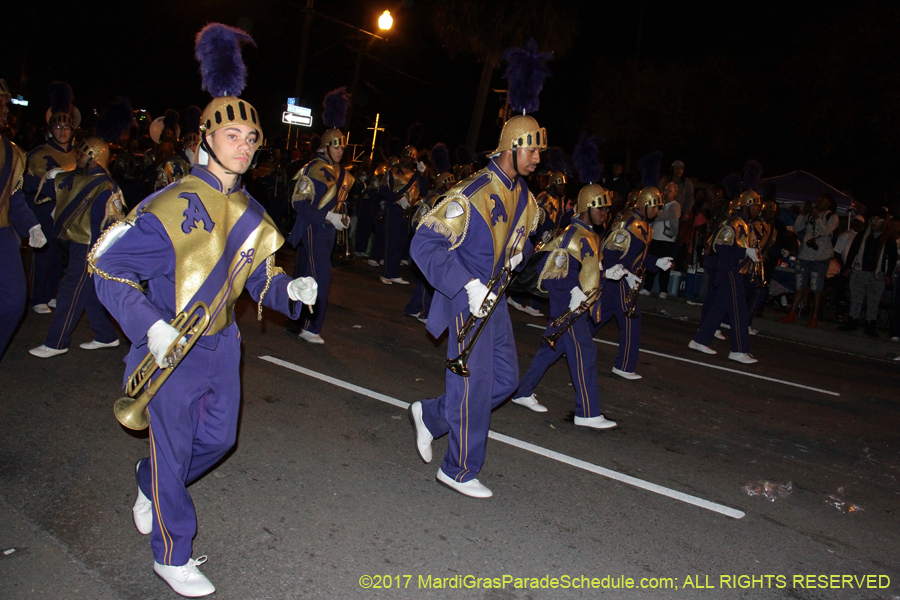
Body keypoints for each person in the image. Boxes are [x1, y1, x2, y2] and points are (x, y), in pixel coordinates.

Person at [91, 25, 318, 597]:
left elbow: (258, 277)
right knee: (172, 450)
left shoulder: (253, 212)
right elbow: (105, 266)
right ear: (206, 139)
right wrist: (150, 327)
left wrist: (288, 291)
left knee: (218, 440)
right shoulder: (167, 205)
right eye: (232, 134)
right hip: (170, 346)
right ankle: (172, 554)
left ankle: (150, 480)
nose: (244, 145)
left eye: (251, 137)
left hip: (222, 345)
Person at [407, 108, 543, 499]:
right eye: (532, 149)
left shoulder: (522, 194)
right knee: (474, 383)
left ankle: (432, 415)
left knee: (506, 381)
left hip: (494, 299)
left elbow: (522, 240)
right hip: (466, 300)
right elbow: (424, 244)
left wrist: (520, 254)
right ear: (512, 147)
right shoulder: (471, 193)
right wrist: (467, 286)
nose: (538, 158)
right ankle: (458, 469)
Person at [512, 181, 624, 425]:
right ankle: (587, 413)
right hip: (568, 307)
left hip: (576, 304)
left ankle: (522, 392)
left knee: (550, 350)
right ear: (587, 207)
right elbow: (549, 272)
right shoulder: (572, 235)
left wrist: (606, 274)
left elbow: (587, 271)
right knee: (585, 352)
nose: (605, 213)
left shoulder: (591, 235)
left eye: (607, 209)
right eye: (601, 208)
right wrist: (573, 291)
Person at [27, 98, 132, 358]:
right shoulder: (95, 181)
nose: (78, 156)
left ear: (93, 157)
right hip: (85, 246)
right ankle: (106, 336)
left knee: (70, 290)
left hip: (88, 247)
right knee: (88, 292)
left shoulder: (102, 184)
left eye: (83, 153)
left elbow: (110, 224)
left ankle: (56, 342)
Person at [287, 87, 353, 345]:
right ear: (326, 147)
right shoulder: (314, 169)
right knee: (320, 277)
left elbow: (338, 201)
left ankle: (294, 319)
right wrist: (327, 217)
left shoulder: (339, 171)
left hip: (327, 231)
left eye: (342, 147)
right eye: (336, 146)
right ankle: (310, 327)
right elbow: (299, 204)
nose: (340, 151)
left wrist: (342, 216)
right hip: (314, 229)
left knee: (303, 275)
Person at [595, 184, 671, 379]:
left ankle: (567, 344)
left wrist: (656, 262)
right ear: (645, 204)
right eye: (654, 206)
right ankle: (624, 366)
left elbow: (638, 255)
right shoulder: (627, 222)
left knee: (597, 317)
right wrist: (625, 273)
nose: (657, 210)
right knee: (631, 321)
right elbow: (609, 252)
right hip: (620, 278)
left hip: (626, 279)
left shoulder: (644, 224)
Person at [0, 78, 48, 361]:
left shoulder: (13, 152)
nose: (6, 109)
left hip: (3, 235)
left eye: (6, 104)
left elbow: (14, 198)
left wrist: (32, 225)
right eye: (1, 103)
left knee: (13, 301)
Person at [689, 191, 762, 363]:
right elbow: (720, 247)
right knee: (739, 311)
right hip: (729, 270)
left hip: (734, 270)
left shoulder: (745, 224)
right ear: (746, 205)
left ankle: (700, 340)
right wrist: (745, 252)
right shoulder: (734, 223)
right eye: (755, 205)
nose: (758, 209)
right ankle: (739, 350)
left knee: (720, 308)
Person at [25, 81, 79, 314]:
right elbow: (26, 184)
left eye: (66, 127)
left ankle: (55, 292)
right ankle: (38, 296)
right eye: (58, 127)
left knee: (62, 256)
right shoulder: (38, 154)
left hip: (69, 213)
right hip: (45, 210)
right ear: (50, 129)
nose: (62, 131)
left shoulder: (79, 155)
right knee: (44, 255)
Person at [780, 193, 839, 328]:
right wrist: (803, 213)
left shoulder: (832, 217)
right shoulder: (810, 214)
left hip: (820, 258)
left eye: (822, 200)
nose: (818, 202)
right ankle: (792, 313)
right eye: (817, 200)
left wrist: (817, 217)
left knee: (816, 287)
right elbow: (797, 227)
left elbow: (824, 232)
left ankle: (814, 317)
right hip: (804, 255)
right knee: (799, 285)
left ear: (829, 203)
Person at [839, 207, 897, 337]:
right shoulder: (863, 235)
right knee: (856, 299)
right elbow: (853, 251)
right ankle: (852, 320)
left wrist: (888, 274)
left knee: (873, 301)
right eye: (872, 221)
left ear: (883, 221)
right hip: (860, 271)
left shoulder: (888, 238)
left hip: (877, 274)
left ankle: (870, 324)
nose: (874, 223)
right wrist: (847, 267)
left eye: (877, 221)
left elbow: (892, 257)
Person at [641, 180, 680, 298]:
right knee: (652, 261)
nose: (667, 192)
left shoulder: (675, 205)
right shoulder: (660, 204)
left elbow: (670, 214)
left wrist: (657, 214)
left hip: (668, 239)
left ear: (675, 193)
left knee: (665, 264)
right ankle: (647, 287)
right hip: (655, 237)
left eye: (670, 191)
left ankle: (663, 290)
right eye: (666, 190)